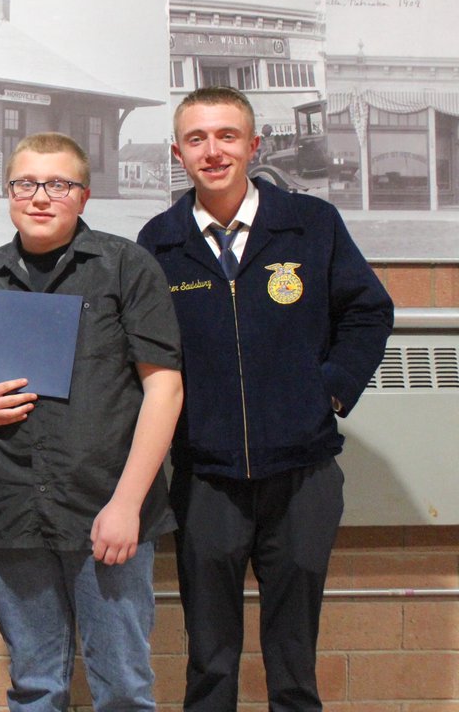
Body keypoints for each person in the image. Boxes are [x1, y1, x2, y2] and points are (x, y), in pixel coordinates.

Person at [137, 86, 394, 711]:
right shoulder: (159, 241)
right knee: (211, 658)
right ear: (178, 152)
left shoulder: (311, 224)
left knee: (294, 659)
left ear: (254, 145)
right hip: (207, 479)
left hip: (302, 474)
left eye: (227, 136)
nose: (213, 150)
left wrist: (329, 391)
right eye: (197, 139)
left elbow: (368, 311)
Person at [0, 133, 184, 711]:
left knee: (123, 687)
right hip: (13, 509)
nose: (40, 197)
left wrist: (127, 504)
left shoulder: (125, 266)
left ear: (84, 194)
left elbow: (164, 387)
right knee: (34, 687)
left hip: (105, 510)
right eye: (25, 183)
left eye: (58, 184)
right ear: (9, 193)